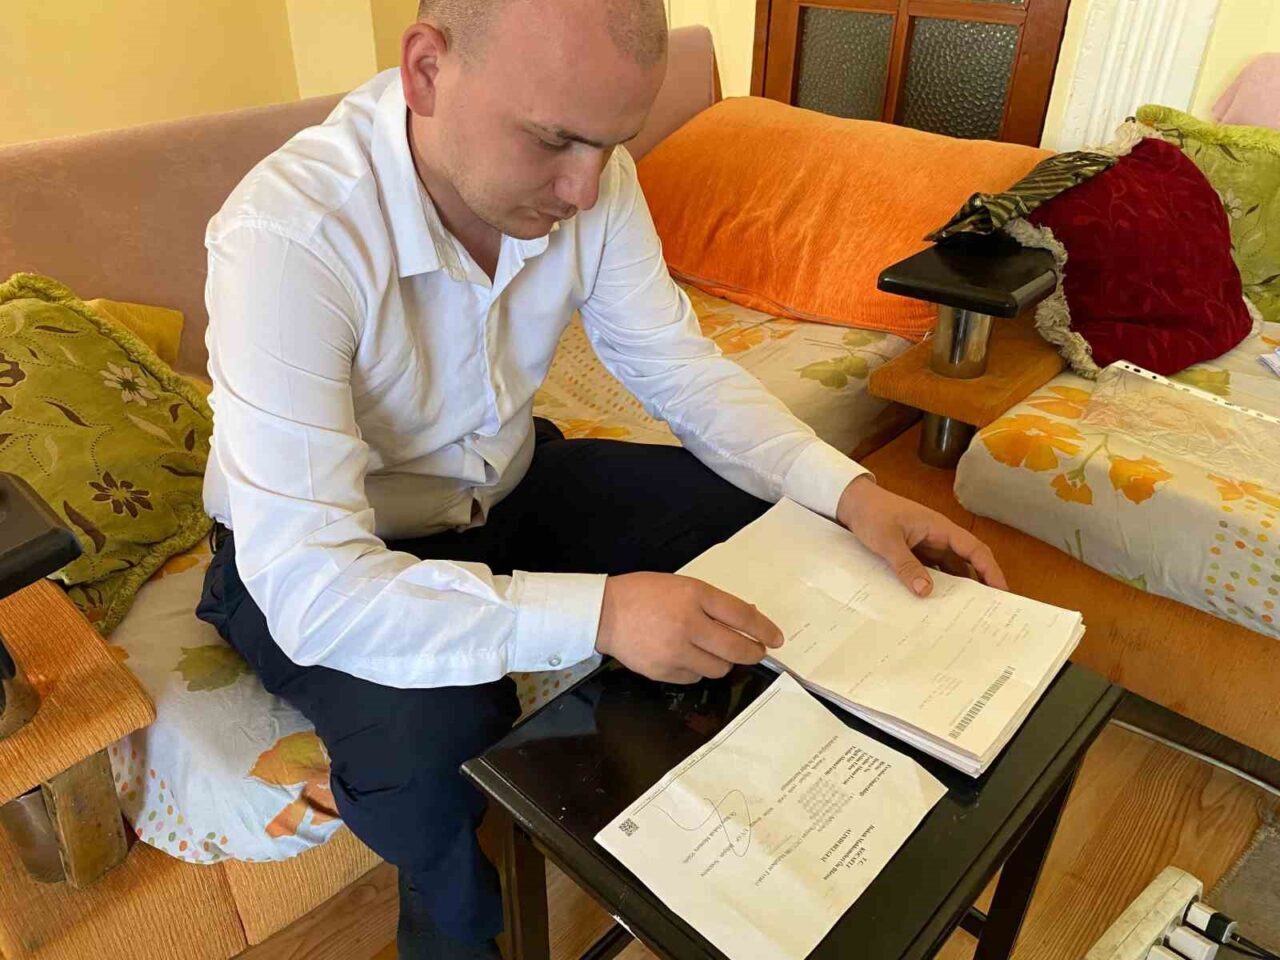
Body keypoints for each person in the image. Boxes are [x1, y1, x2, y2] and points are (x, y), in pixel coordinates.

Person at [195, 0, 1007, 956]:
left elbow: (679, 371)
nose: (585, 188)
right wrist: (605, 613)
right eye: (553, 141)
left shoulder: (593, 178)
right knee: (433, 747)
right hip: (331, 556)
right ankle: (454, 928)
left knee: (759, 525)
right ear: (426, 71)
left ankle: (743, 815)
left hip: (506, 485)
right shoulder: (289, 235)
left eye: (612, 145)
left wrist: (851, 494)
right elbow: (315, 587)